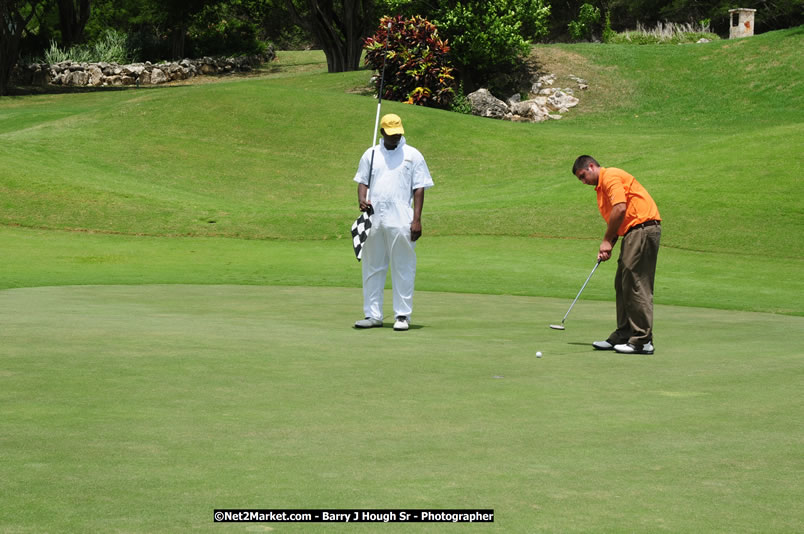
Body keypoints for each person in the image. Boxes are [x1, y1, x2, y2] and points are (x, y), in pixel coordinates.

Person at [572, 155, 661, 354]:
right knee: (622, 281)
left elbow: (620, 208)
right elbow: (617, 218)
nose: (583, 181)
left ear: (591, 166)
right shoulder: (601, 190)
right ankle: (624, 334)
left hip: (643, 228)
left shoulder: (610, 176)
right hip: (632, 232)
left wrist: (606, 241)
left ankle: (643, 340)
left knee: (635, 281)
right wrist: (609, 243)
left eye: (583, 176)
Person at [353, 114, 434, 331]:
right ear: (382, 133)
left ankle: (402, 315)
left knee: (403, 267)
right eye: (391, 134)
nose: (395, 137)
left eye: (398, 133)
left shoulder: (412, 155)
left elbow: (419, 188)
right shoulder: (370, 154)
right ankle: (372, 315)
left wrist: (417, 219)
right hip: (374, 217)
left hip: (401, 217)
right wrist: (362, 200)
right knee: (373, 267)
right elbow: (362, 181)